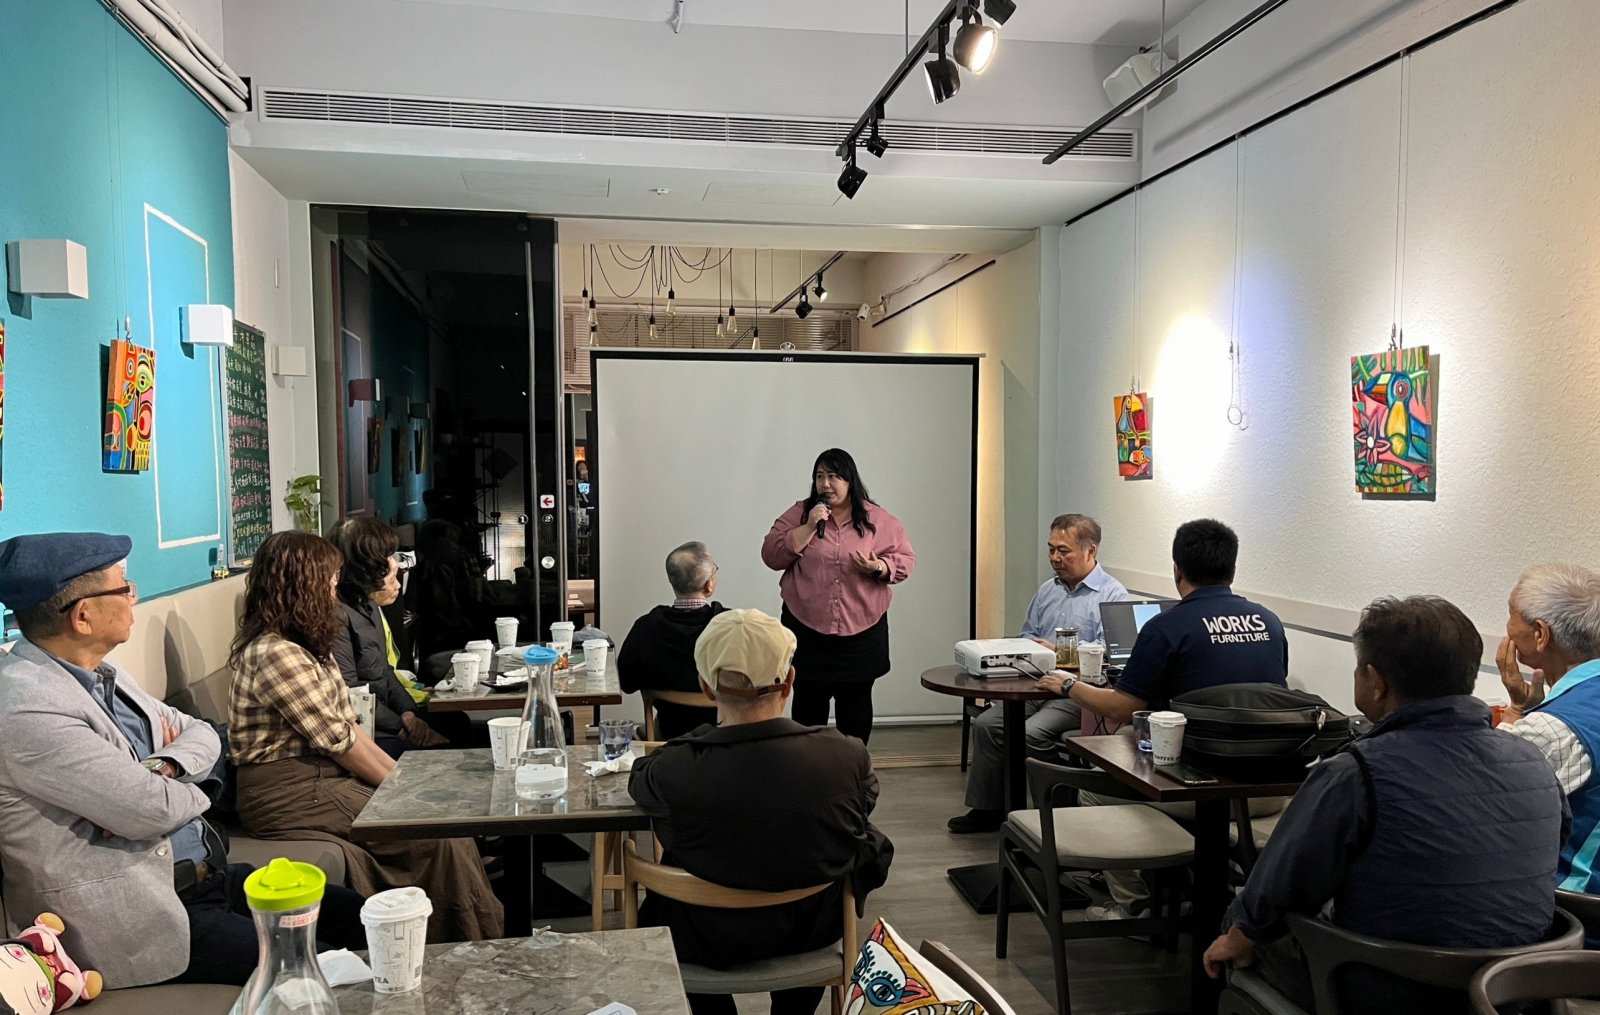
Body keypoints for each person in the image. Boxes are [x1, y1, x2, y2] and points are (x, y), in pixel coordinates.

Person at [0, 532, 367, 987]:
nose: (133, 599)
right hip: (140, 914)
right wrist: (188, 784)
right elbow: (151, 809)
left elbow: (202, 733)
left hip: (203, 879)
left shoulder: (106, 674)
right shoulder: (27, 707)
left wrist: (164, 768)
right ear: (83, 615)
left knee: (360, 916)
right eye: (124, 588)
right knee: (340, 973)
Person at [1204, 596, 1568, 1012]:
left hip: (1385, 986)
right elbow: (1554, 847)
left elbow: (1278, 887)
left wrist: (1237, 936)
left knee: (1243, 932)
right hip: (1513, 994)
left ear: (1375, 682)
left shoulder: (1357, 772)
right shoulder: (1533, 760)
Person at [229, 531, 504, 942]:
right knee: (436, 833)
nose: (333, 592)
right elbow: (341, 742)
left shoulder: (306, 647)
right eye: (328, 581)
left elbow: (351, 727)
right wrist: (404, 788)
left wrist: (406, 783)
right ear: (300, 586)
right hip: (289, 791)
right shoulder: (275, 654)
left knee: (442, 824)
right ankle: (463, 944)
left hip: (324, 778)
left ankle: (478, 935)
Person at [629, 609, 894, 1015]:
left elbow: (639, 782)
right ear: (790, 680)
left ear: (706, 686)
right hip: (809, 935)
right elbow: (862, 808)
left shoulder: (674, 769)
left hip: (702, 940)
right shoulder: (846, 756)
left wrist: (699, 738)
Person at [1057, 518, 1289, 917]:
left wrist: (1066, 685)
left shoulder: (1166, 627)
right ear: (1232, 568)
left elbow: (1121, 707)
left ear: (1177, 569)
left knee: (1096, 788)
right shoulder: (1268, 620)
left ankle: (1134, 908)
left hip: (1200, 792)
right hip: (1269, 790)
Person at [948, 514, 1128, 833]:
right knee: (988, 724)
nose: (1055, 558)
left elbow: (1108, 654)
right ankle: (989, 809)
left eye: (1063, 551)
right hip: (1035, 684)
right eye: (1051, 549)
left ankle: (1056, 816)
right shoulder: (1048, 590)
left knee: (1031, 733)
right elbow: (1027, 634)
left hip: (1077, 693)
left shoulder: (1113, 595)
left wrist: (1059, 651)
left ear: (1091, 551)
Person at [760, 448, 915, 744]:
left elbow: (905, 559)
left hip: (861, 632)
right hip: (807, 629)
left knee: (855, 710)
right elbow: (771, 554)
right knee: (807, 707)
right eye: (819, 477)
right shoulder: (801, 514)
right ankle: (809, 768)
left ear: (850, 480)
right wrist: (808, 527)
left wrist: (879, 567)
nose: (825, 484)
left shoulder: (876, 519)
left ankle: (852, 766)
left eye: (833, 476)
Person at [1494, 563, 1600, 892]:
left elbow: (1480, 808)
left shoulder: (1552, 730)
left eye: (1511, 614)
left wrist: (1517, 714)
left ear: (1540, 634)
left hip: (1567, 907)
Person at [326, 517, 456, 756]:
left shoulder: (369, 605)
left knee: (457, 722)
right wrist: (401, 725)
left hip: (389, 714)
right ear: (367, 563)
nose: (393, 562)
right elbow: (350, 693)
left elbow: (385, 671)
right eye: (386, 555)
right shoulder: (335, 616)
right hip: (367, 728)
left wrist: (409, 713)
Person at [617, 541, 727, 738]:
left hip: (668, 737)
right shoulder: (730, 626)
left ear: (671, 580)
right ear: (709, 584)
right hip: (723, 736)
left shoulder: (647, 627)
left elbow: (627, 682)